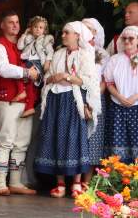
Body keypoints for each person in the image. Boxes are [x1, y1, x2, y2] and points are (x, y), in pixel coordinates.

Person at [34, 21, 101, 198]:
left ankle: (77, 183)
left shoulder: (85, 55)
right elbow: (47, 78)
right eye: (63, 32)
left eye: (66, 32)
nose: (63, 35)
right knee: (55, 137)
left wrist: (66, 76)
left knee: (74, 138)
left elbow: (88, 81)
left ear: (78, 35)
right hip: (55, 99)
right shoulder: (58, 53)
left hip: (73, 101)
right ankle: (60, 183)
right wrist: (54, 78)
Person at [0, 10, 38, 196]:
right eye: (10, 22)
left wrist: (37, 72)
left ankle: (15, 182)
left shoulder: (23, 47)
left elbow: (36, 67)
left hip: (26, 102)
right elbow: (3, 69)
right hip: (7, 100)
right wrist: (27, 73)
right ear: (2, 25)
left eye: (17, 22)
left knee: (21, 143)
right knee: (6, 142)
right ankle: (1, 183)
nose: (15, 25)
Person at [81, 18, 109, 189]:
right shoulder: (77, 51)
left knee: (94, 140)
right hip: (79, 98)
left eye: (89, 29)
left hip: (96, 100)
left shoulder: (103, 54)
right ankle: (75, 181)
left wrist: (93, 98)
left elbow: (105, 80)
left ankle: (87, 181)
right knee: (78, 138)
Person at [104, 26, 138, 164]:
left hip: (136, 105)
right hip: (117, 106)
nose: (127, 41)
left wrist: (134, 97)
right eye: (124, 38)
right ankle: (118, 178)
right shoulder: (114, 59)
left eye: (131, 38)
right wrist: (121, 98)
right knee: (117, 142)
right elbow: (109, 83)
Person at [17, 16, 54, 117]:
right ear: (30, 28)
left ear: (44, 30)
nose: (38, 29)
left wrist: (47, 61)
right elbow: (19, 46)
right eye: (35, 27)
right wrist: (25, 34)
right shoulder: (28, 38)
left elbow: (50, 52)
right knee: (22, 77)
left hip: (37, 63)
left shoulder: (46, 40)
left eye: (41, 27)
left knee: (31, 83)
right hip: (25, 61)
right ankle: (23, 95)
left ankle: (30, 105)